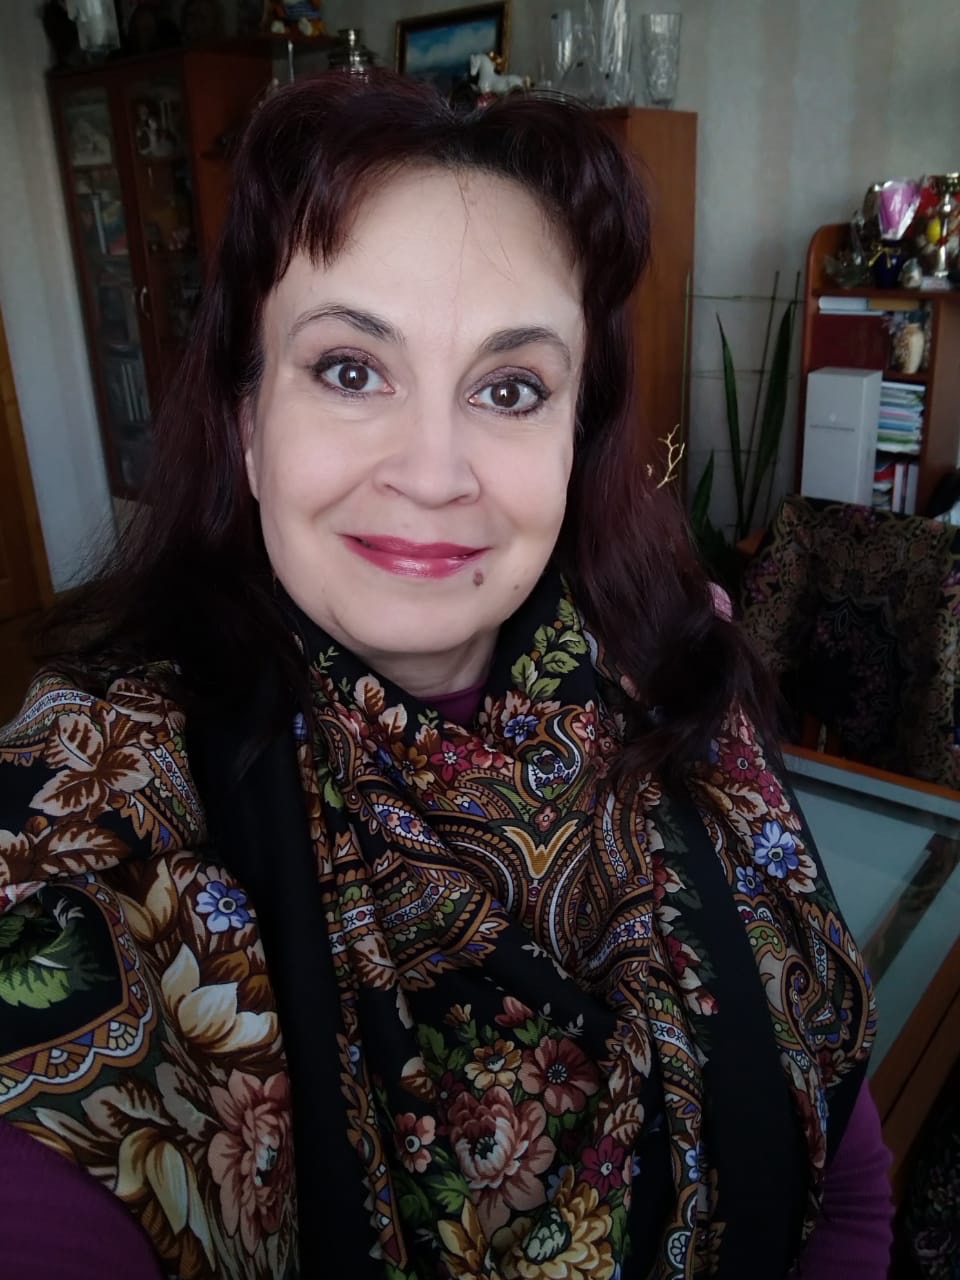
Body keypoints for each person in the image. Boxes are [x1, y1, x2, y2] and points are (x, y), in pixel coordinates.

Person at [0, 73, 890, 1279]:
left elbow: (847, 1182)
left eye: (509, 388)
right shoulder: (109, 785)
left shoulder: (677, 668)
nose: (431, 471)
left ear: (575, 437)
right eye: (349, 369)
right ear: (249, 425)